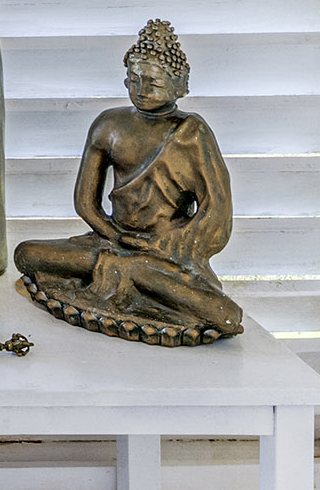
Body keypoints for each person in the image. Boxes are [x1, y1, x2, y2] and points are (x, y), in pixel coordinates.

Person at [13, 18, 242, 344]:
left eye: (152, 82)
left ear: (180, 86)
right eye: (133, 79)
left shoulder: (192, 134)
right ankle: (130, 272)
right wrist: (115, 236)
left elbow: (216, 210)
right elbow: (85, 203)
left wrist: (168, 244)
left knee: (226, 315)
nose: (141, 89)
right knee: (27, 254)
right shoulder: (109, 125)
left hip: (163, 254)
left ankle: (137, 272)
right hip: (110, 243)